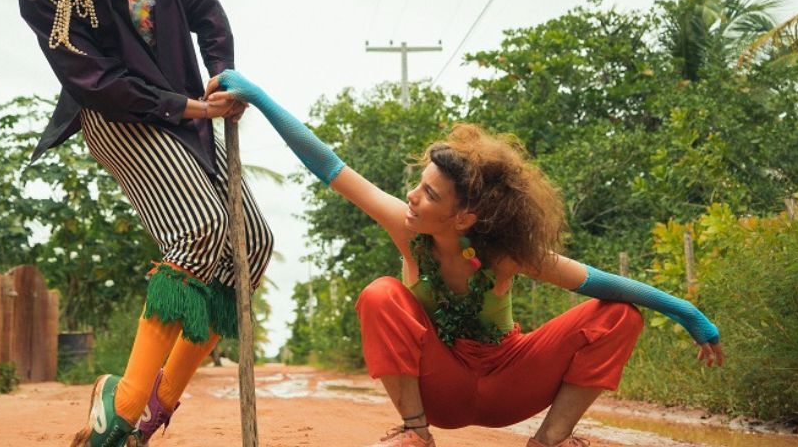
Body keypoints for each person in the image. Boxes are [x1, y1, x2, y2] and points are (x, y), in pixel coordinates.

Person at [210, 70, 723, 447]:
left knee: (617, 314)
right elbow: (326, 161)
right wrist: (256, 95)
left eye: (430, 194)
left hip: (508, 385)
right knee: (380, 293)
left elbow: (606, 285)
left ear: (465, 218)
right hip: (441, 389)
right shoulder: (405, 226)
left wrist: (688, 313)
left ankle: (551, 440)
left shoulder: (507, 254)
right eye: (419, 184)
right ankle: (415, 435)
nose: (412, 196)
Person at [17, 0, 274, 445]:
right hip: (118, 118)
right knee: (197, 231)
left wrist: (221, 72)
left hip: (192, 106)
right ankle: (122, 408)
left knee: (252, 244)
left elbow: (203, 2)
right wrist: (186, 107)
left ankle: (151, 414)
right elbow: (95, 82)